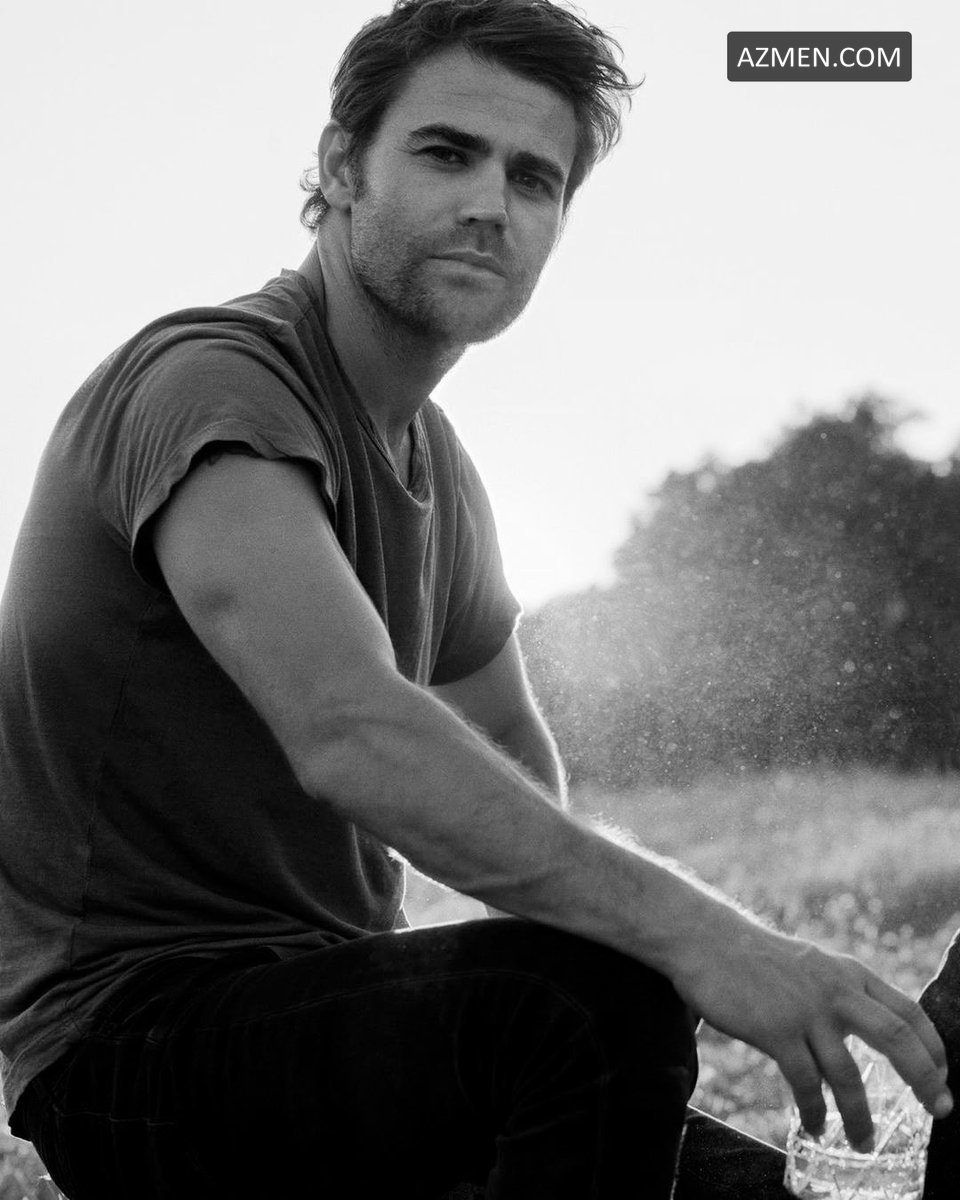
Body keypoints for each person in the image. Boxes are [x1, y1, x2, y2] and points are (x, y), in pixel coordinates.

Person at [0, 1, 953, 1196]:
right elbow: (352, 731)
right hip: (132, 1046)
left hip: (341, 1028)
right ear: (341, 167)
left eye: (534, 179)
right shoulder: (213, 384)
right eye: (447, 153)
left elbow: (515, 770)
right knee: (576, 1000)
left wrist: (687, 962)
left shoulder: (437, 468)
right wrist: (707, 942)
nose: (492, 204)